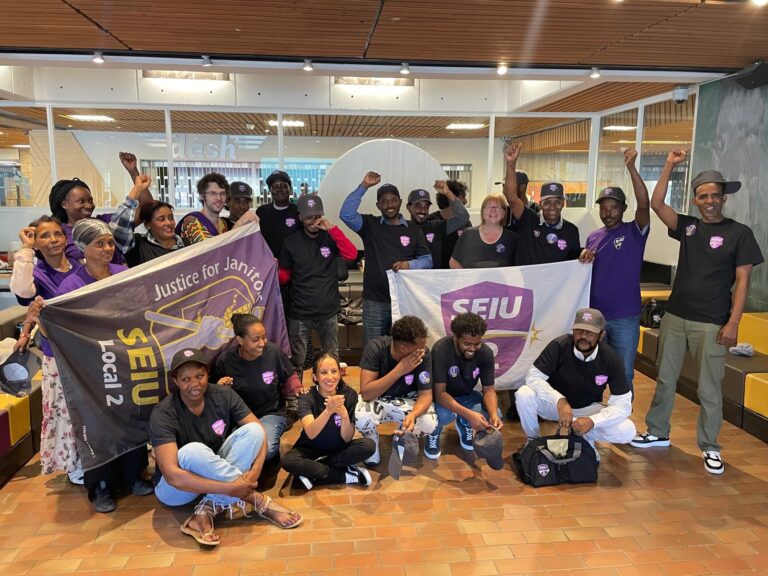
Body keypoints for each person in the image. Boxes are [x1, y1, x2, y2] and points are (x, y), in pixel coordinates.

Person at [631, 150, 764, 475]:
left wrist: (734, 322)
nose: (709, 201)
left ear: (723, 198)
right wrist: (669, 165)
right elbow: (659, 204)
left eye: (715, 196)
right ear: (695, 200)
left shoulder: (739, 233)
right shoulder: (689, 228)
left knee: (709, 388)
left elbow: (743, 281)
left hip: (713, 323)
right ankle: (658, 432)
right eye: (703, 196)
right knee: (665, 379)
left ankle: (710, 446)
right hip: (676, 316)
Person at [27, 219, 154, 512]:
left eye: (110, 242)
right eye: (100, 243)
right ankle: (101, 487)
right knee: (98, 425)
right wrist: (37, 318)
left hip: (122, 358)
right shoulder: (71, 285)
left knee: (129, 416)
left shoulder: (122, 274)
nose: (108, 248)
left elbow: (140, 308)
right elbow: (58, 327)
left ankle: (134, 475)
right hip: (90, 368)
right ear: (83, 248)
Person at [151, 348, 303, 547]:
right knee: (192, 450)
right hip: (177, 489)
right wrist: (233, 488)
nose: (194, 384)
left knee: (254, 431)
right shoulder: (163, 413)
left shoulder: (223, 394)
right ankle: (257, 501)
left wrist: (255, 472)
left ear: (208, 374)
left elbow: (258, 431)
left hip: (216, 471)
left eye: (200, 376)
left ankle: (204, 513)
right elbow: (173, 476)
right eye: (186, 379)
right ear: (176, 382)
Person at [502, 143, 581, 421]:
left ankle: (550, 403)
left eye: (556, 201)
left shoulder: (571, 231)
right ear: (541, 202)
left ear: (563, 203)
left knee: (551, 351)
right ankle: (518, 403)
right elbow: (511, 196)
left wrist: (584, 256)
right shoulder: (528, 221)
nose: (551, 206)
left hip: (555, 305)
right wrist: (511, 163)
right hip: (525, 301)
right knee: (521, 349)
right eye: (546, 201)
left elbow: (575, 267)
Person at [10, 216, 82, 484]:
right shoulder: (36, 273)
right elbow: (24, 294)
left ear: (65, 238)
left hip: (84, 348)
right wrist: (26, 250)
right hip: (57, 352)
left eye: (57, 234)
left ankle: (89, 457)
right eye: (44, 236)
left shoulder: (79, 266)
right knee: (63, 408)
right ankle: (72, 464)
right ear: (37, 243)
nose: (52, 240)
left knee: (86, 407)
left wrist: (27, 328)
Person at [516, 308, 636, 461]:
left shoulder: (611, 358)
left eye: (590, 333)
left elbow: (623, 404)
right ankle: (534, 441)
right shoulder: (559, 346)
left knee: (628, 430)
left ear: (601, 335)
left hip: (588, 409)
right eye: (579, 331)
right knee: (524, 394)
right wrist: (558, 399)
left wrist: (593, 421)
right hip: (556, 408)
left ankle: (580, 435)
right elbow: (533, 377)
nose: (583, 337)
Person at [579, 148, 650, 398]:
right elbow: (585, 272)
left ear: (623, 209)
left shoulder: (634, 232)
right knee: (594, 370)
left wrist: (631, 167)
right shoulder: (593, 237)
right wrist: (584, 257)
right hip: (596, 318)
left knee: (624, 373)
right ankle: (593, 414)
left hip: (624, 318)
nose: (608, 212)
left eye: (613, 207)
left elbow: (645, 203)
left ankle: (622, 421)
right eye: (604, 207)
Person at [340, 172, 432, 346]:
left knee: (403, 348)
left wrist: (409, 265)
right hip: (375, 301)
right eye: (384, 201)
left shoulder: (413, 229)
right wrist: (364, 186)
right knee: (373, 349)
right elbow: (346, 214)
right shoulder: (370, 225)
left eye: (393, 200)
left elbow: (427, 260)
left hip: (404, 301)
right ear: (378, 205)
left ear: (400, 202)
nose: (389, 205)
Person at [278, 194, 358, 377]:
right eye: (308, 217)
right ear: (300, 217)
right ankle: (295, 398)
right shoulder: (291, 242)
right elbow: (284, 277)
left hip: (328, 311)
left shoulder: (330, 237)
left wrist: (332, 229)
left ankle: (334, 394)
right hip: (300, 313)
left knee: (332, 359)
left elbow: (352, 254)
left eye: (317, 216)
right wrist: (274, 269)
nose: (313, 221)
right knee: (297, 361)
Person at [211, 314, 302, 461]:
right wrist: (219, 386)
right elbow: (212, 393)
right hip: (238, 417)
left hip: (270, 413)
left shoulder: (273, 352)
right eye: (256, 339)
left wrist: (297, 387)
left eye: (264, 337)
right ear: (240, 340)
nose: (262, 343)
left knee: (264, 450)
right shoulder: (225, 360)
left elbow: (289, 374)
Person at [282, 353, 375, 490]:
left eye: (334, 371)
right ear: (315, 377)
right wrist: (328, 411)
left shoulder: (350, 395)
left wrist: (344, 416)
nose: (330, 377)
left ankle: (313, 471)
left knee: (368, 446)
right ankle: (344, 476)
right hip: (310, 448)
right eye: (324, 372)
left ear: (340, 373)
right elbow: (311, 433)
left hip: (338, 449)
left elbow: (347, 437)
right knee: (288, 461)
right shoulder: (306, 397)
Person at [354, 316, 437, 465]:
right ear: (404, 348)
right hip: (379, 399)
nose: (423, 349)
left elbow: (426, 395)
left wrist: (413, 415)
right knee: (360, 416)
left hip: (407, 401)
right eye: (421, 346)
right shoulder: (376, 347)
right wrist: (400, 370)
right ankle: (371, 440)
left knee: (429, 423)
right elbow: (366, 393)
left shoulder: (423, 355)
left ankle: (403, 433)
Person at [427, 312, 502, 459]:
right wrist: (469, 414)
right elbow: (440, 393)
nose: (473, 348)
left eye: (477, 344)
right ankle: (433, 435)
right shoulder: (441, 349)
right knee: (443, 415)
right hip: (442, 398)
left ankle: (464, 425)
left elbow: (489, 390)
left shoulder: (486, 353)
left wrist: (493, 415)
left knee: (495, 414)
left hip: (467, 395)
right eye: (467, 344)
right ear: (456, 338)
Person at [48, 177, 148, 264]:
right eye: (81, 201)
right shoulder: (58, 234)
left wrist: (136, 180)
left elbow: (147, 208)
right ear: (64, 204)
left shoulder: (105, 222)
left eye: (90, 201)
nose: (88, 205)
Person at [111, 175, 184, 266]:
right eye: (161, 219)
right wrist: (137, 188)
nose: (169, 223)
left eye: (171, 218)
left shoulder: (185, 244)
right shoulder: (137, 245)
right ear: (147, 224)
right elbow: (119, 228)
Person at [176, 172, 257, 245]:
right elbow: (210, 251)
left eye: (222, 193)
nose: (218, 198)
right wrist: (239, 224)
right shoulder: (191, 222)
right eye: (213, 193)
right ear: (202, 196)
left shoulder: (223, 224)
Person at [406, 181, 470, 269]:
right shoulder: (402, 229)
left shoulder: (436, 226)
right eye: (418, 206)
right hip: (411, 281)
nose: (423, 211)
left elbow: (463, 217)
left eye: (426, 207)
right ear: (409, 207)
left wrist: (448, 193)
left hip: (435, 280)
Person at [450, 193, 517, 268]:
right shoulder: (468, 234)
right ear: (482, 212)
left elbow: (519, 267)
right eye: (489, 207)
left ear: (504, 213)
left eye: (497, 207)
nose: (493, 210)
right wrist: (466, 278)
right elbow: (453, 262)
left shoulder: (512, 238)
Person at [426, 180, 472, 269]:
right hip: (435, 276)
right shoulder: (431, 221)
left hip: (458, 276)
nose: (465, 201)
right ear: (449, 198)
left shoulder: (466, 224)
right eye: (463, 197)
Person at [256, 170, 300, 258]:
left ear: (290, 189)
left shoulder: (298, 211)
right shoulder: (261, 212)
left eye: (284, 186)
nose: (279, 189)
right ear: (270, 190)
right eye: (275, 186)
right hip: (268, 263)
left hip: (294, 264)